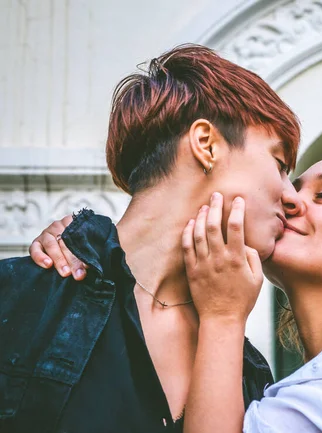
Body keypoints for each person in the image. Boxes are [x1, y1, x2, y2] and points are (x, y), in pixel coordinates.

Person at [32, 147, 322, 432]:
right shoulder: (268, 381)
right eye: (292, 185)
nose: (290, 199)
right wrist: (86, 241)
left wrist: (223, 316)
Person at [0, 43, 303, 433]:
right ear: (206, 144)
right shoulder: (19, 298)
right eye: (279, 164)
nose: (292, 196)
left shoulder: (251, 376)